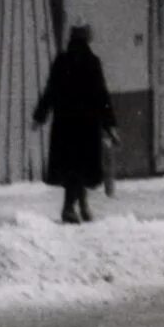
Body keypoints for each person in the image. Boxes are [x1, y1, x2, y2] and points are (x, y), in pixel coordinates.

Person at [32, 24, 118, 224]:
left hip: (65, 125)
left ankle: (80, 205)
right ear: (87, 39)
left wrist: (40, 116)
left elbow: (50, 91)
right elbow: (101, 95)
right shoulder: (92, 62)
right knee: (80, 168)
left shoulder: (62, 61)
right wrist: (110, 124)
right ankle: (71, 208)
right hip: (87, 126)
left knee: (72, 168)